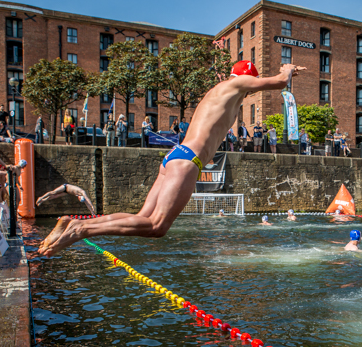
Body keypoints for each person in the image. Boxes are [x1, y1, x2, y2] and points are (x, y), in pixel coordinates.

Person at [39, 62, 306, 256]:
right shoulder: (235, 83)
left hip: (175, 157)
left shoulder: (225, 94)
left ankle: (76, 225)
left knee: (143, 217)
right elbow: (280, 82)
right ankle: (79, 230)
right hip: (188, 161)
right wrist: (288, 68)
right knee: (157, 226)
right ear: (245, 79)